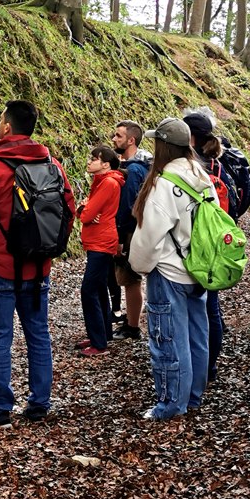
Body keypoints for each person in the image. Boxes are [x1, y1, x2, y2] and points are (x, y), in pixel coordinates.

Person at [0, 100, 76, 426]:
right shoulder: (52, 164)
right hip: (38, 266)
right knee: (38, 333)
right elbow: (68, 211)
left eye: (0, 120)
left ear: (7, 127)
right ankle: (39, 402)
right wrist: (48, 250)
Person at [129, 117, 218, 421]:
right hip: (200, 267)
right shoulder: (203, 178)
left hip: (169, 270)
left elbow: (150, 232)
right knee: (196, 335)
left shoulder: (166, 183)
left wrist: (138, 265)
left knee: (168, 338)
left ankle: (170, 404)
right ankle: (192, 397)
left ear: (163, 146)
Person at [183, 110, 237, 383]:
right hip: (216, 246)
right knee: (210, 309)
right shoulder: (219, 165)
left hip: (194, 246)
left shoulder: (192, 167)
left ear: (189, 136)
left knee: (193, 310)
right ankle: (209, 367)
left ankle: (195, 368)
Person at [74, 145, 124, 357]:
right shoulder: (101, 182)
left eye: (94, 159)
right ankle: (103, 334)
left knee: (89, 290)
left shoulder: (108, 183)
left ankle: (99, 343)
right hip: (99, 239)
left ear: (105, 164)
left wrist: (86, 210)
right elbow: (84, 211)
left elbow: (85, 215)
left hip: (101, 241)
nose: (89, 161)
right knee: (100, 287)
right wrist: (85, 209)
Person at [110, 120, 153, 340]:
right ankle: (132, 320)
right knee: (132, 279)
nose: (114, 139)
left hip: (129, 232)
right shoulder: (141, 166)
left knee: (130, 279)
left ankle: (133, 326)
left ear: (131, 140)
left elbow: (127, 207)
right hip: (137, 230)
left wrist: (119, 236)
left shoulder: (134, 170)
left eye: (118, 136)